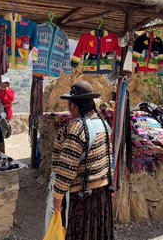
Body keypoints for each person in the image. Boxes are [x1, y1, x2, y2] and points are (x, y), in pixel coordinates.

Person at [51, 80, 114, 240]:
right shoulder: (103, 124)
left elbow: (67, 168)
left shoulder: (75, 128)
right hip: (102, 195)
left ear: (74, 105)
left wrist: (57, 197)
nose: (68, 108)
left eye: (69, 104)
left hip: (82, 199)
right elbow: (109, 158)